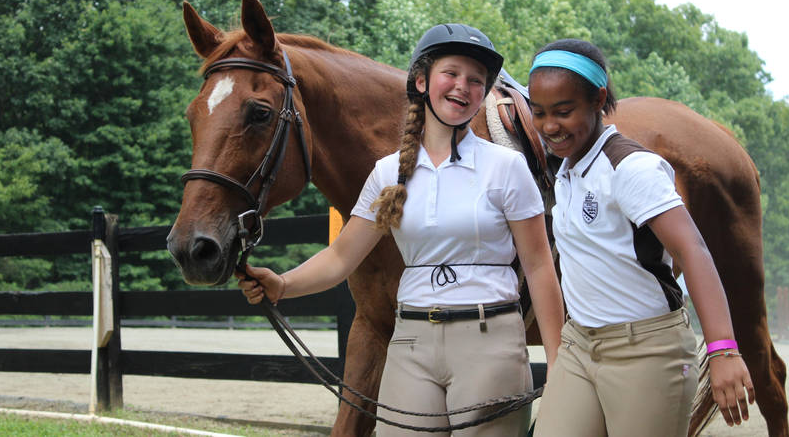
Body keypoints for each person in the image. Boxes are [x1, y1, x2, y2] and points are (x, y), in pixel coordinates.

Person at [237, 24, 564, 436]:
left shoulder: (508, 167)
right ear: (422, 81)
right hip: (411, 345)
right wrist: (282, 284)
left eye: (476, 80)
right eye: (452, 73)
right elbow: (341, 257)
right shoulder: (387, 173)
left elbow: (538, 268)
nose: (463, 87)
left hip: (490, 343)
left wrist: (558, 362)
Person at [527, 39, 755, 436]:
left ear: (598, 100)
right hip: (580, 347)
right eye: (540, 113)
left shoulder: (630, 168)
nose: (550, 126)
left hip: (646, 353)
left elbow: (693, 250)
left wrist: (723, 350)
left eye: (564, 112)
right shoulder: (565, 170)